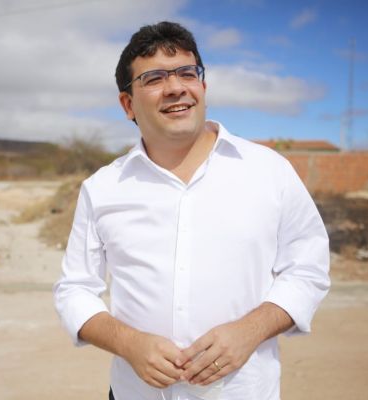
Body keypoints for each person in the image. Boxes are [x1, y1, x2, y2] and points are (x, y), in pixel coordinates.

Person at [53, 21, 330, 400]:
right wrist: (129, 343)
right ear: (128, 104)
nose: (175, 87)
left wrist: (250, 331)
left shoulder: (270, 171)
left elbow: (307, 269)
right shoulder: (102, 188)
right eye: (153, 78)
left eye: (187, 73)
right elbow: (75, 289)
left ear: (203, 86)